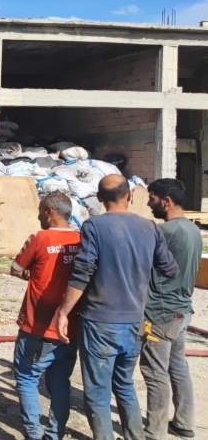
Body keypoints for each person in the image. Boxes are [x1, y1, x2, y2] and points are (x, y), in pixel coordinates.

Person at [53, 175, 178, 440]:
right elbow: (169, 269)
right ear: (130, 196)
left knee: (98, 392)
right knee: (124, 385)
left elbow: (82, 272)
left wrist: (64, 312)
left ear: (99, 198)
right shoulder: (150, 227)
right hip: (134, 322)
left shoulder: (94, 226)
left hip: (99, 322)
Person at [10, 192, 81, 440]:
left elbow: (16, 269)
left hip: (38, 326)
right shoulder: (81, 239)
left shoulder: (39, 238)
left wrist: (34, 275)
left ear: (49, 211)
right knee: (60, 382)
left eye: (41, 210)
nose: (39, 215)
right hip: (71, 328)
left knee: (27, 378)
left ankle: (33, 434)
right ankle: (55, 434)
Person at [140, 179, 200, 440]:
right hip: (181, 311)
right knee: (178, 367)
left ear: (166, 201)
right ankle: (184, 423)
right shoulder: (192, 229)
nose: (148, 203)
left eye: (151, 198)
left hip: (160, 313)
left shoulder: (167, 232)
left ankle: (154, 432)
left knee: (155, 372)